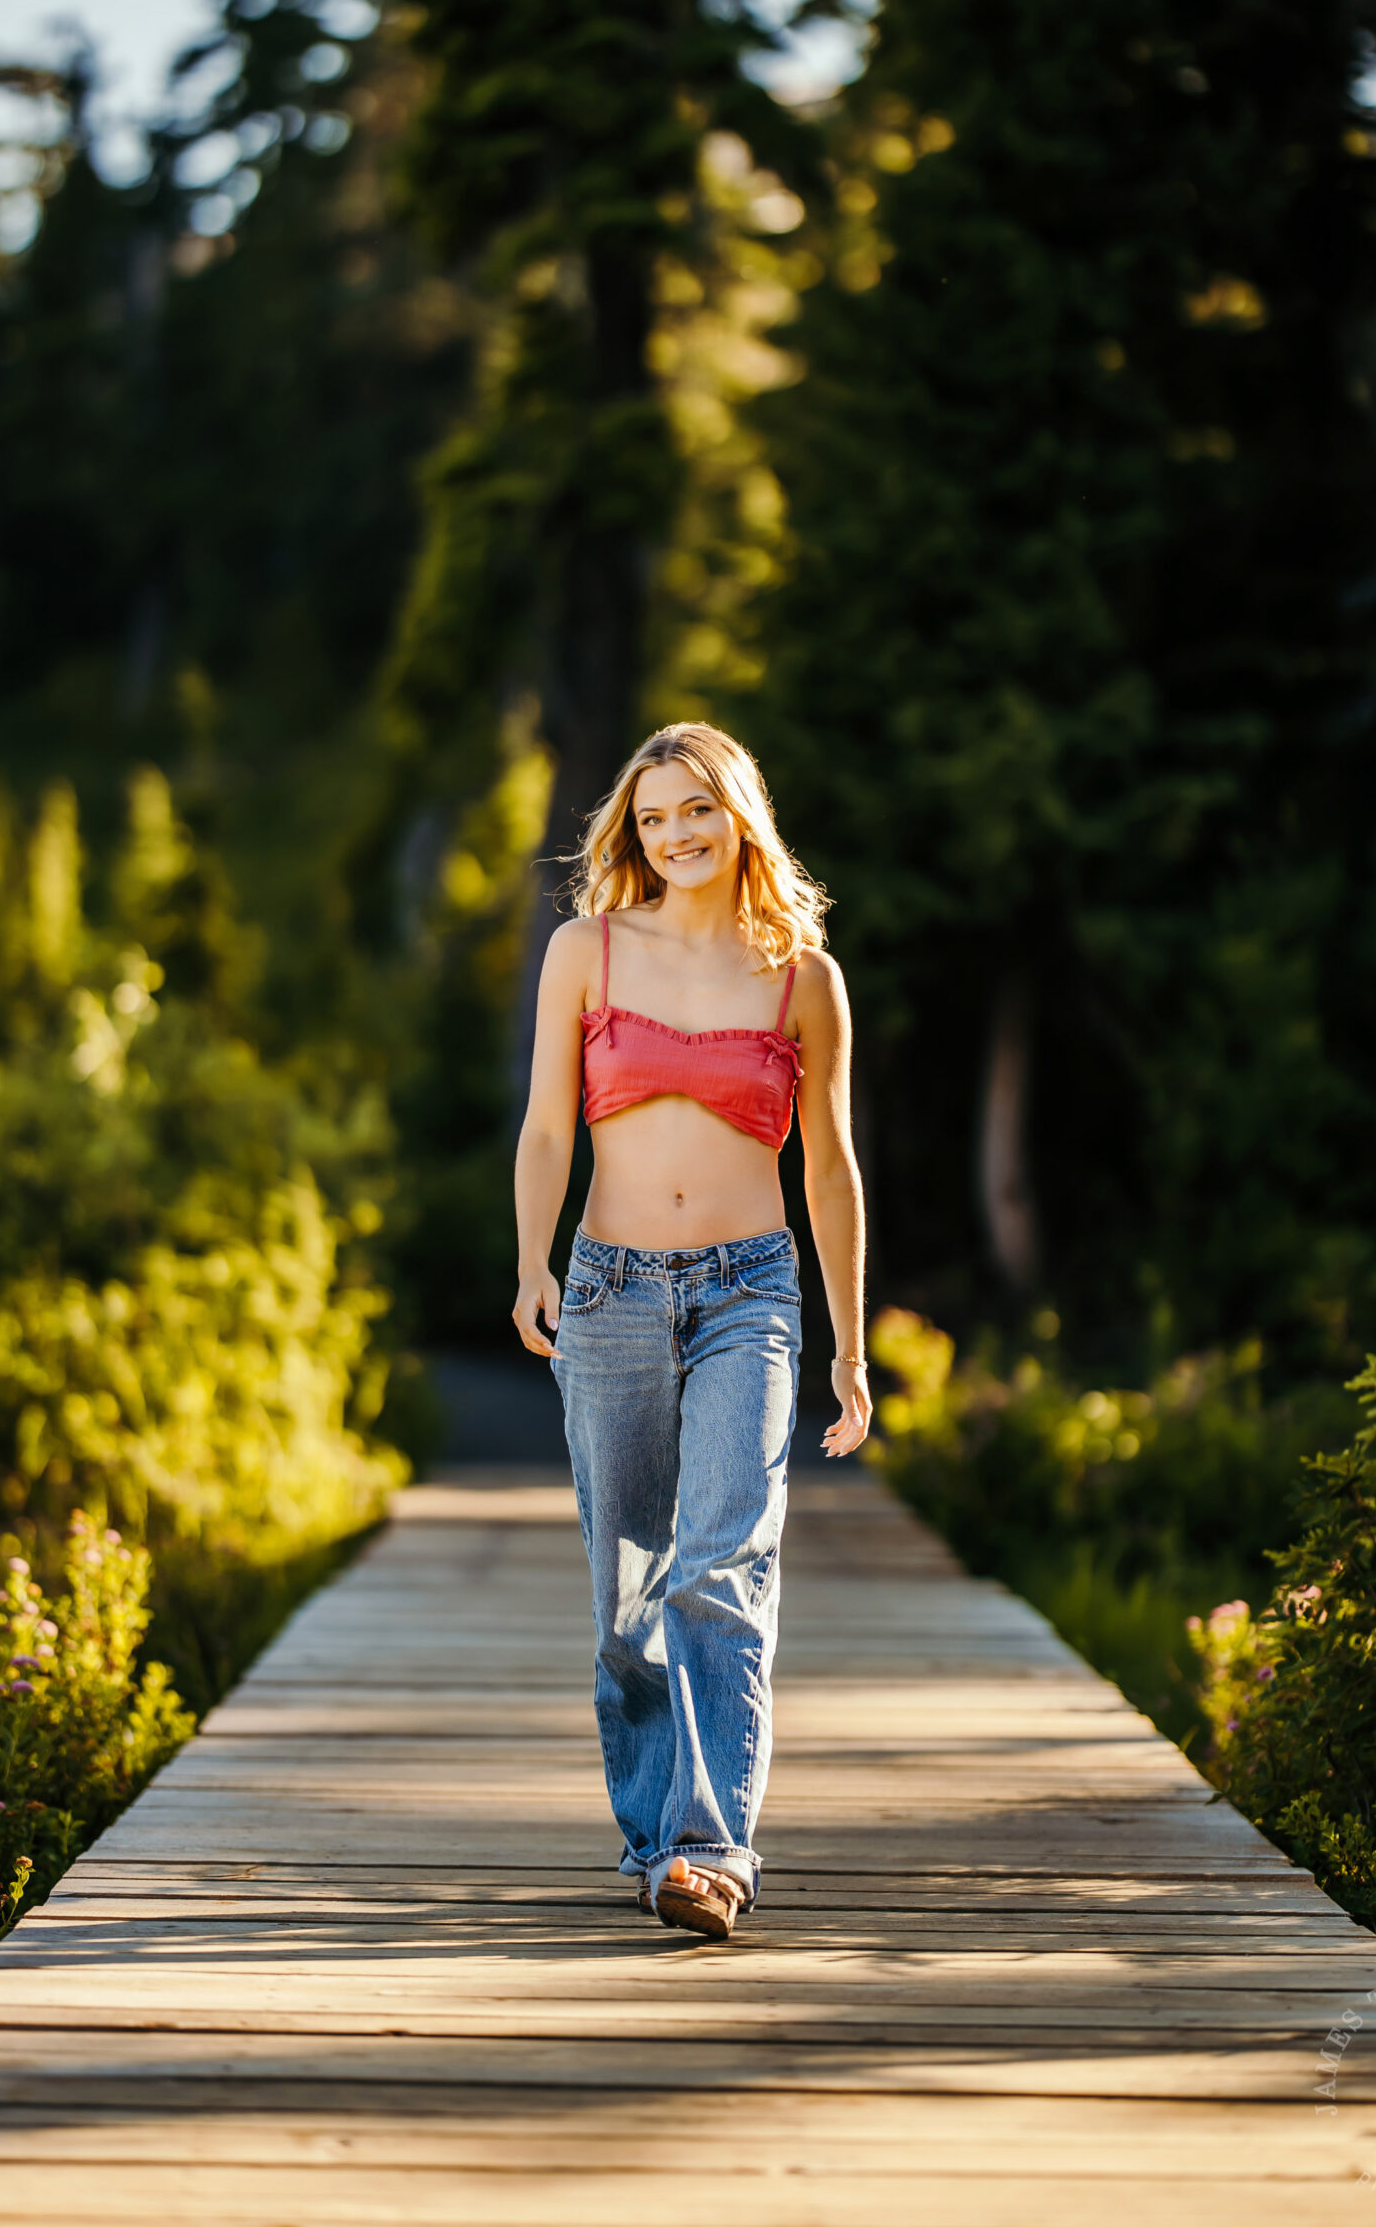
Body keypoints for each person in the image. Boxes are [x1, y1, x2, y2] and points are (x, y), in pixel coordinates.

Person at [512, 721, 870, 1940]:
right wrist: (530, 1262)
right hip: (610, 1288)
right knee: (628, 1599)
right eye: (654, 818)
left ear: (740, 816)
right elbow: (548, 1131)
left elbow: (831, 1170)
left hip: (750, 1295)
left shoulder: (801, 977)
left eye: (696, 812)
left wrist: (851, 1347)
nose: (676, 836)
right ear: (634, 832)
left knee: (724, 1566)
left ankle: (711, 1848)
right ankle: (654, 1831)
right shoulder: (588, 951)